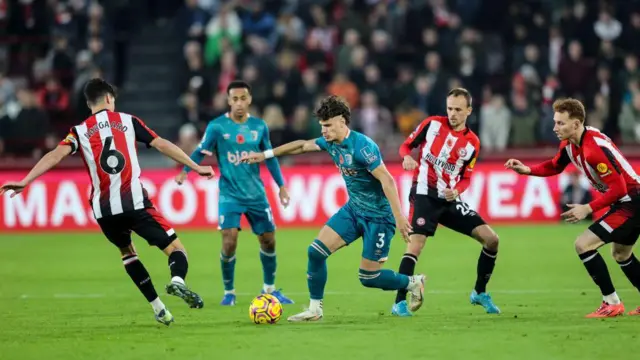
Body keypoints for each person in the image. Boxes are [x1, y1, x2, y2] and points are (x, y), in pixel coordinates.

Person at [0, 78, 214, 326]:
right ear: (109, 99)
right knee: (177, 250)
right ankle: (177, 282)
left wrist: (26, 180)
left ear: (89, 103)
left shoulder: (78, 132)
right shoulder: (128, 121)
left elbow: (55, 154)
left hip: (103, 210)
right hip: (133, 201)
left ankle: (159, 309)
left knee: (127, 252)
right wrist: (195, 167)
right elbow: (161, 144)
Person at [241, 95, 425, 322]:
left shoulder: (363, 147)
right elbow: (301, 145)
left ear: (342, 121)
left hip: (379, 217)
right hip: (354, 210)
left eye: (328, 125)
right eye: (322, 126)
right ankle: (315, 309)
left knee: (368, 277)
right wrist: (265, 155)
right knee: (315, 252)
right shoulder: (329, 142)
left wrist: (399, 217)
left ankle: (412, 282)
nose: (324, 131)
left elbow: (387, 180)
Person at [505, 98, 640, 318]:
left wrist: (587, 207)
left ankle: (611, 302)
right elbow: (554, 165)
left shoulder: (592, 149)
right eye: (555, 122)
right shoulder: (570, 144)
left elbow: (620, 188)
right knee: (621, 254)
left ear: (576, 124)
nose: (554, 128)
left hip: (632, 202)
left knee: (583, 244)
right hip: (627, 201)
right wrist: (527, 169)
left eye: (560, 123)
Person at [175, 80, 293, 306]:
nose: (239, 103)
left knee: (268, 241)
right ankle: (229, 291)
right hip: (230, 194)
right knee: (229, 241)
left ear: (249, 100)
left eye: (243, 98)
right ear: (228, 100)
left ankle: (269, 289)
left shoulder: (259, 126)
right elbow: (200, 152)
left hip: (256, 194)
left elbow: (270, 157)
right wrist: (185, 171)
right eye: (235, 99)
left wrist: (281, 185)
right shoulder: (217, 127)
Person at [392, 88, 501, 317]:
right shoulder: (431, 124)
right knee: (415, 244)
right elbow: (406, 146)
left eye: (458, 110)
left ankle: (479, 292)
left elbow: (467, 177)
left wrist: (457, 190)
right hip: (423, 193)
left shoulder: (472, 142)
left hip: (449, 198)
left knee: (491, 239)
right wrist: (406, 157)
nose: (452, 113)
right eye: (450, 108)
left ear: (469, 111)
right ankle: (399, 302)